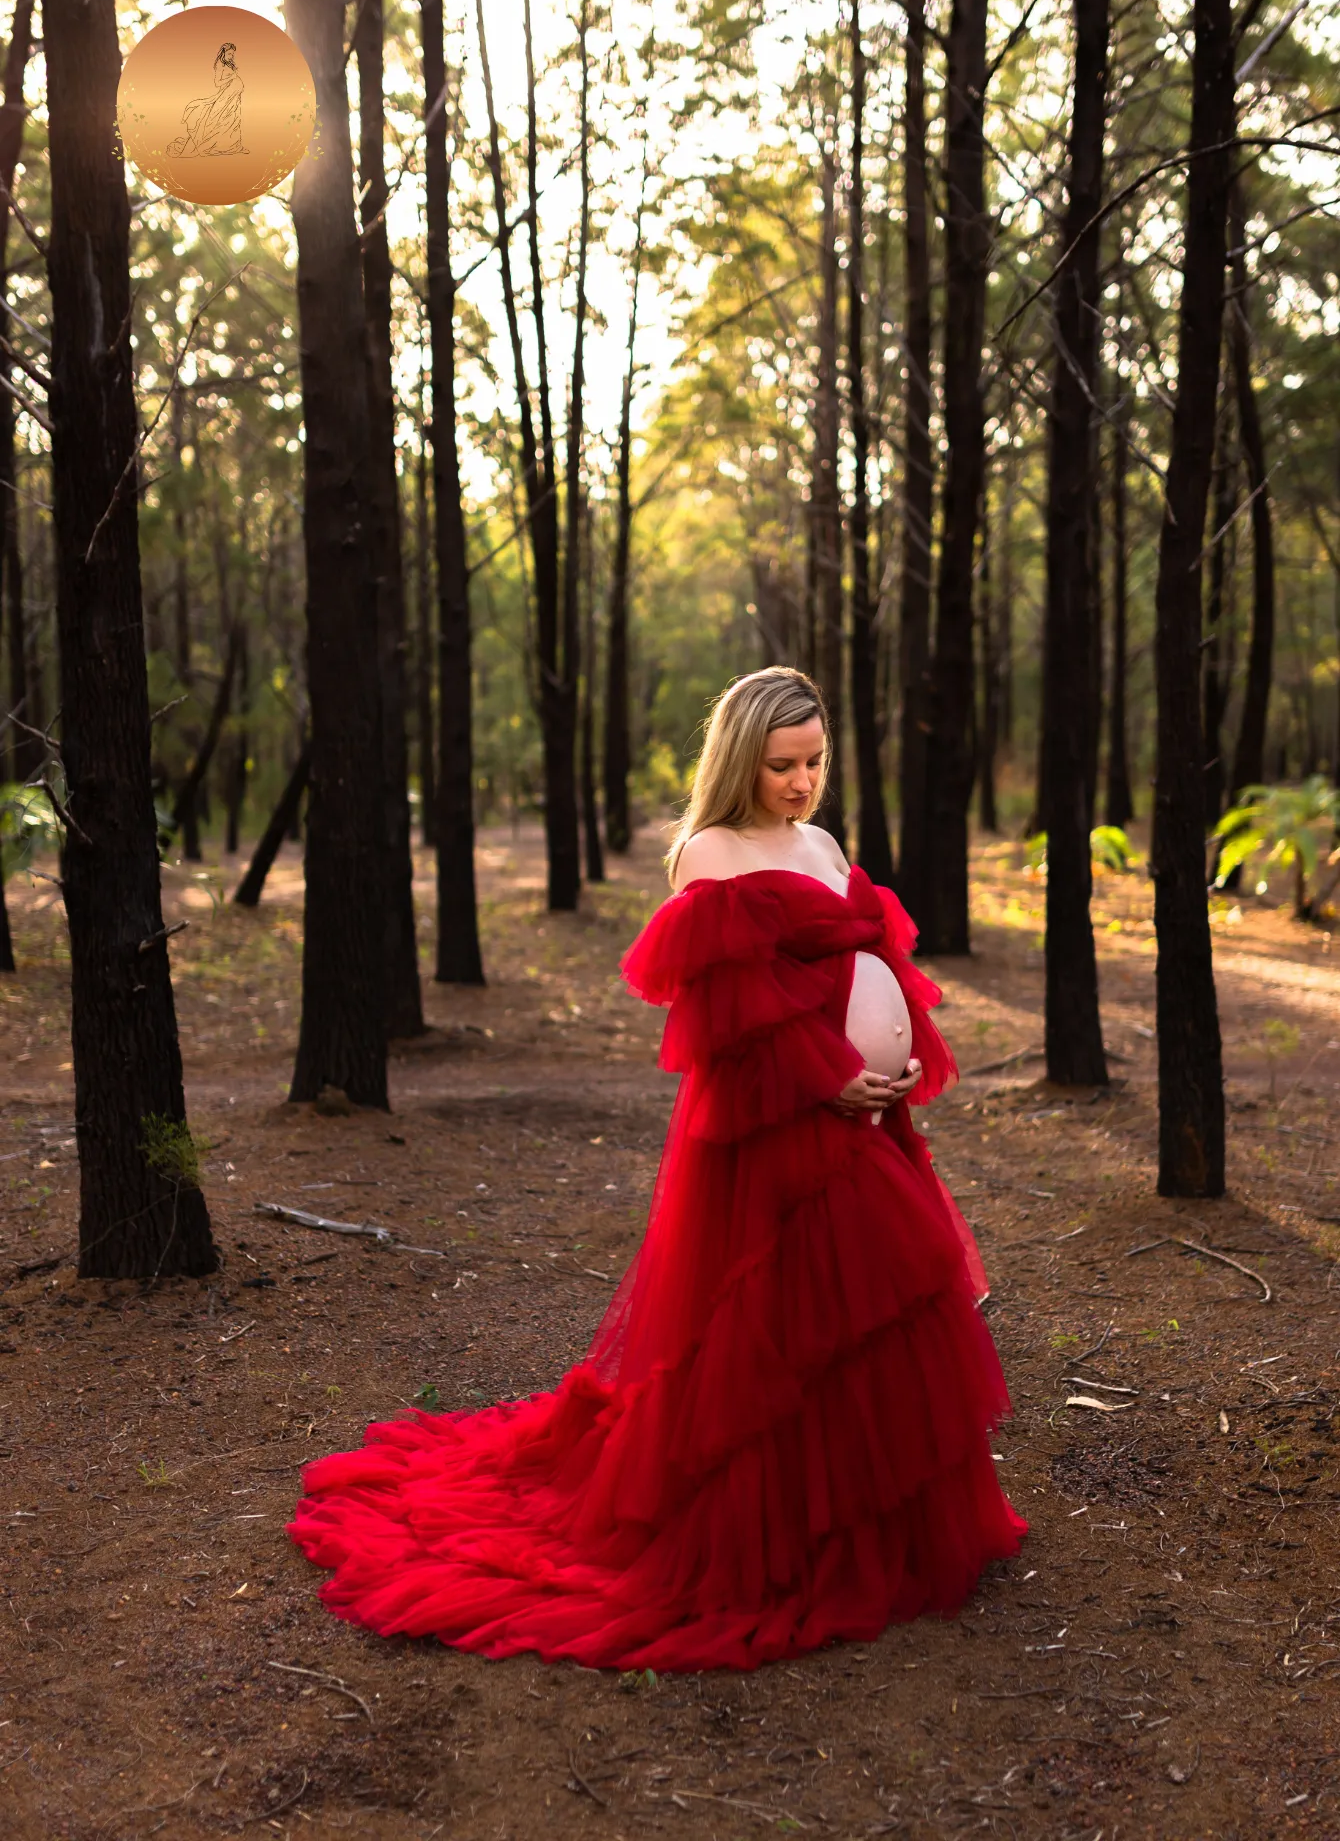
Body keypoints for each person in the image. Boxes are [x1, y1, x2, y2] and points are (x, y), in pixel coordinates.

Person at [289, 666, 1025, 1669]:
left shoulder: (822, 842)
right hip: (782, 1128)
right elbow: (725, 1020)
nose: (802, 781)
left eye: (813, 760)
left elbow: (863, 961)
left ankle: (881, 1529)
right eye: (780, 764)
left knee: (871, 1321)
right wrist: (826, 1075)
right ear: (738, 757)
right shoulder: (709, 854)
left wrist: (886, 1065)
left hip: (864, 1119)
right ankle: (788, 1544)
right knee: (783, 1333)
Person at [166, 41, 247, 158]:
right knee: (219, 122)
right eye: (229, 54)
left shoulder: (230, 64)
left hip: (233, 98)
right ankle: (214, 147)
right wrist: (232, 79)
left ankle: (234, 147)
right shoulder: (220, 65)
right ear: (223, 53)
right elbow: (218, 83)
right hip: (225, 97)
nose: (231, 56)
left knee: (234, 122)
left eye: (232, 54)